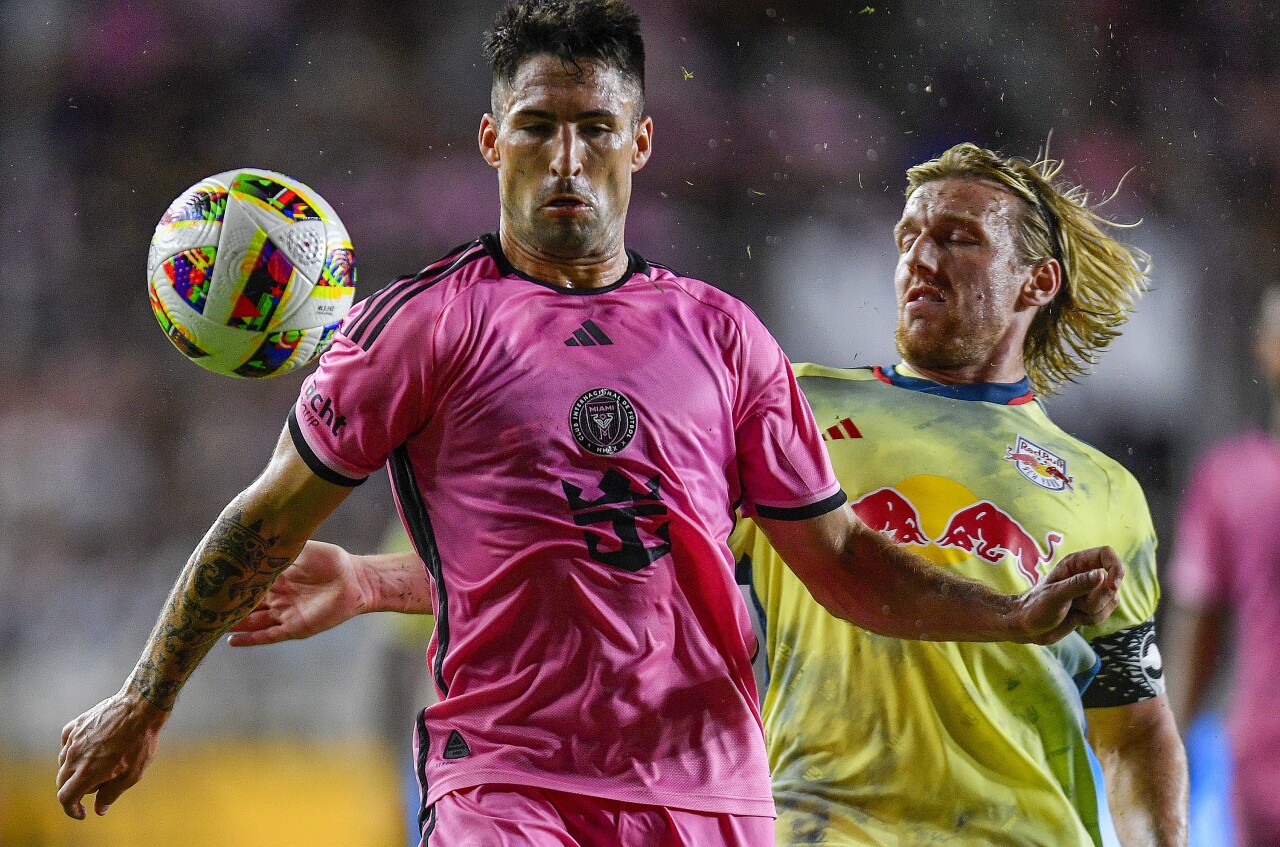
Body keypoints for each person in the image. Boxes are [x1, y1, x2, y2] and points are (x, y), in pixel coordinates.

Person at [56, 4, 1121, 844]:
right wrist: (146, 698)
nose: (565, 160)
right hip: (509, 788)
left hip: (710, 796)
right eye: (536, 127)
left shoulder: (725, 338)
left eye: (594, 129)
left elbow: (835, 564)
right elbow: (266, 518)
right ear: (491, 139)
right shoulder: (419, 328)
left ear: (640, 141)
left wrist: (1012, 615)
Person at [729, 143, 1186, 846]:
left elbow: (1132, 726)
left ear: (1036, 281)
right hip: (823, 827)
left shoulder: (1105, 488)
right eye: (908, 236)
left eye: (958, 238)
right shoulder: (787, 400)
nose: (919, 255)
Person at [1165, 286, 1280, 847]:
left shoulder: (1234, 478)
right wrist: (1170, 750)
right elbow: (1199, 627)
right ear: (1266, 347)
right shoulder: (1230, 478)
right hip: (1262, 765)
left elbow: (1198, 628)